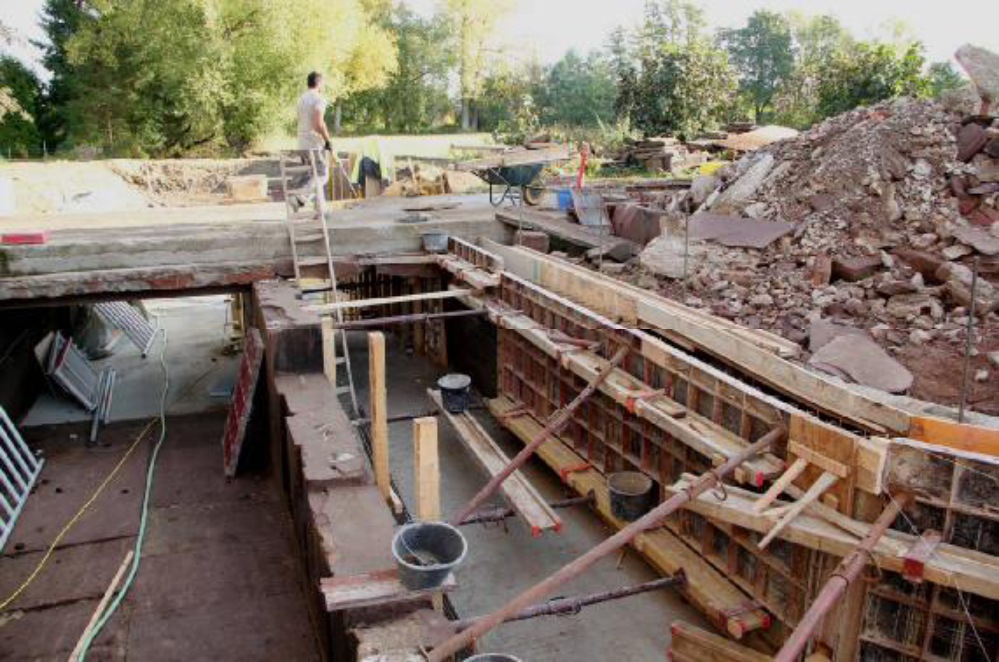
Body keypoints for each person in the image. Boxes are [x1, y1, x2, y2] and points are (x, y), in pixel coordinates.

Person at [292, 71, 333, 211]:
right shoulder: (318, 98)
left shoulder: (301, 98)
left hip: (301, 142)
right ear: (319, 83)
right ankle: (300, 197)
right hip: (313, 143)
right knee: (322, 174)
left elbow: (301, 120)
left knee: (313, 176)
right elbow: (318, 124)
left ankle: (321, 209)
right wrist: (327, 140)